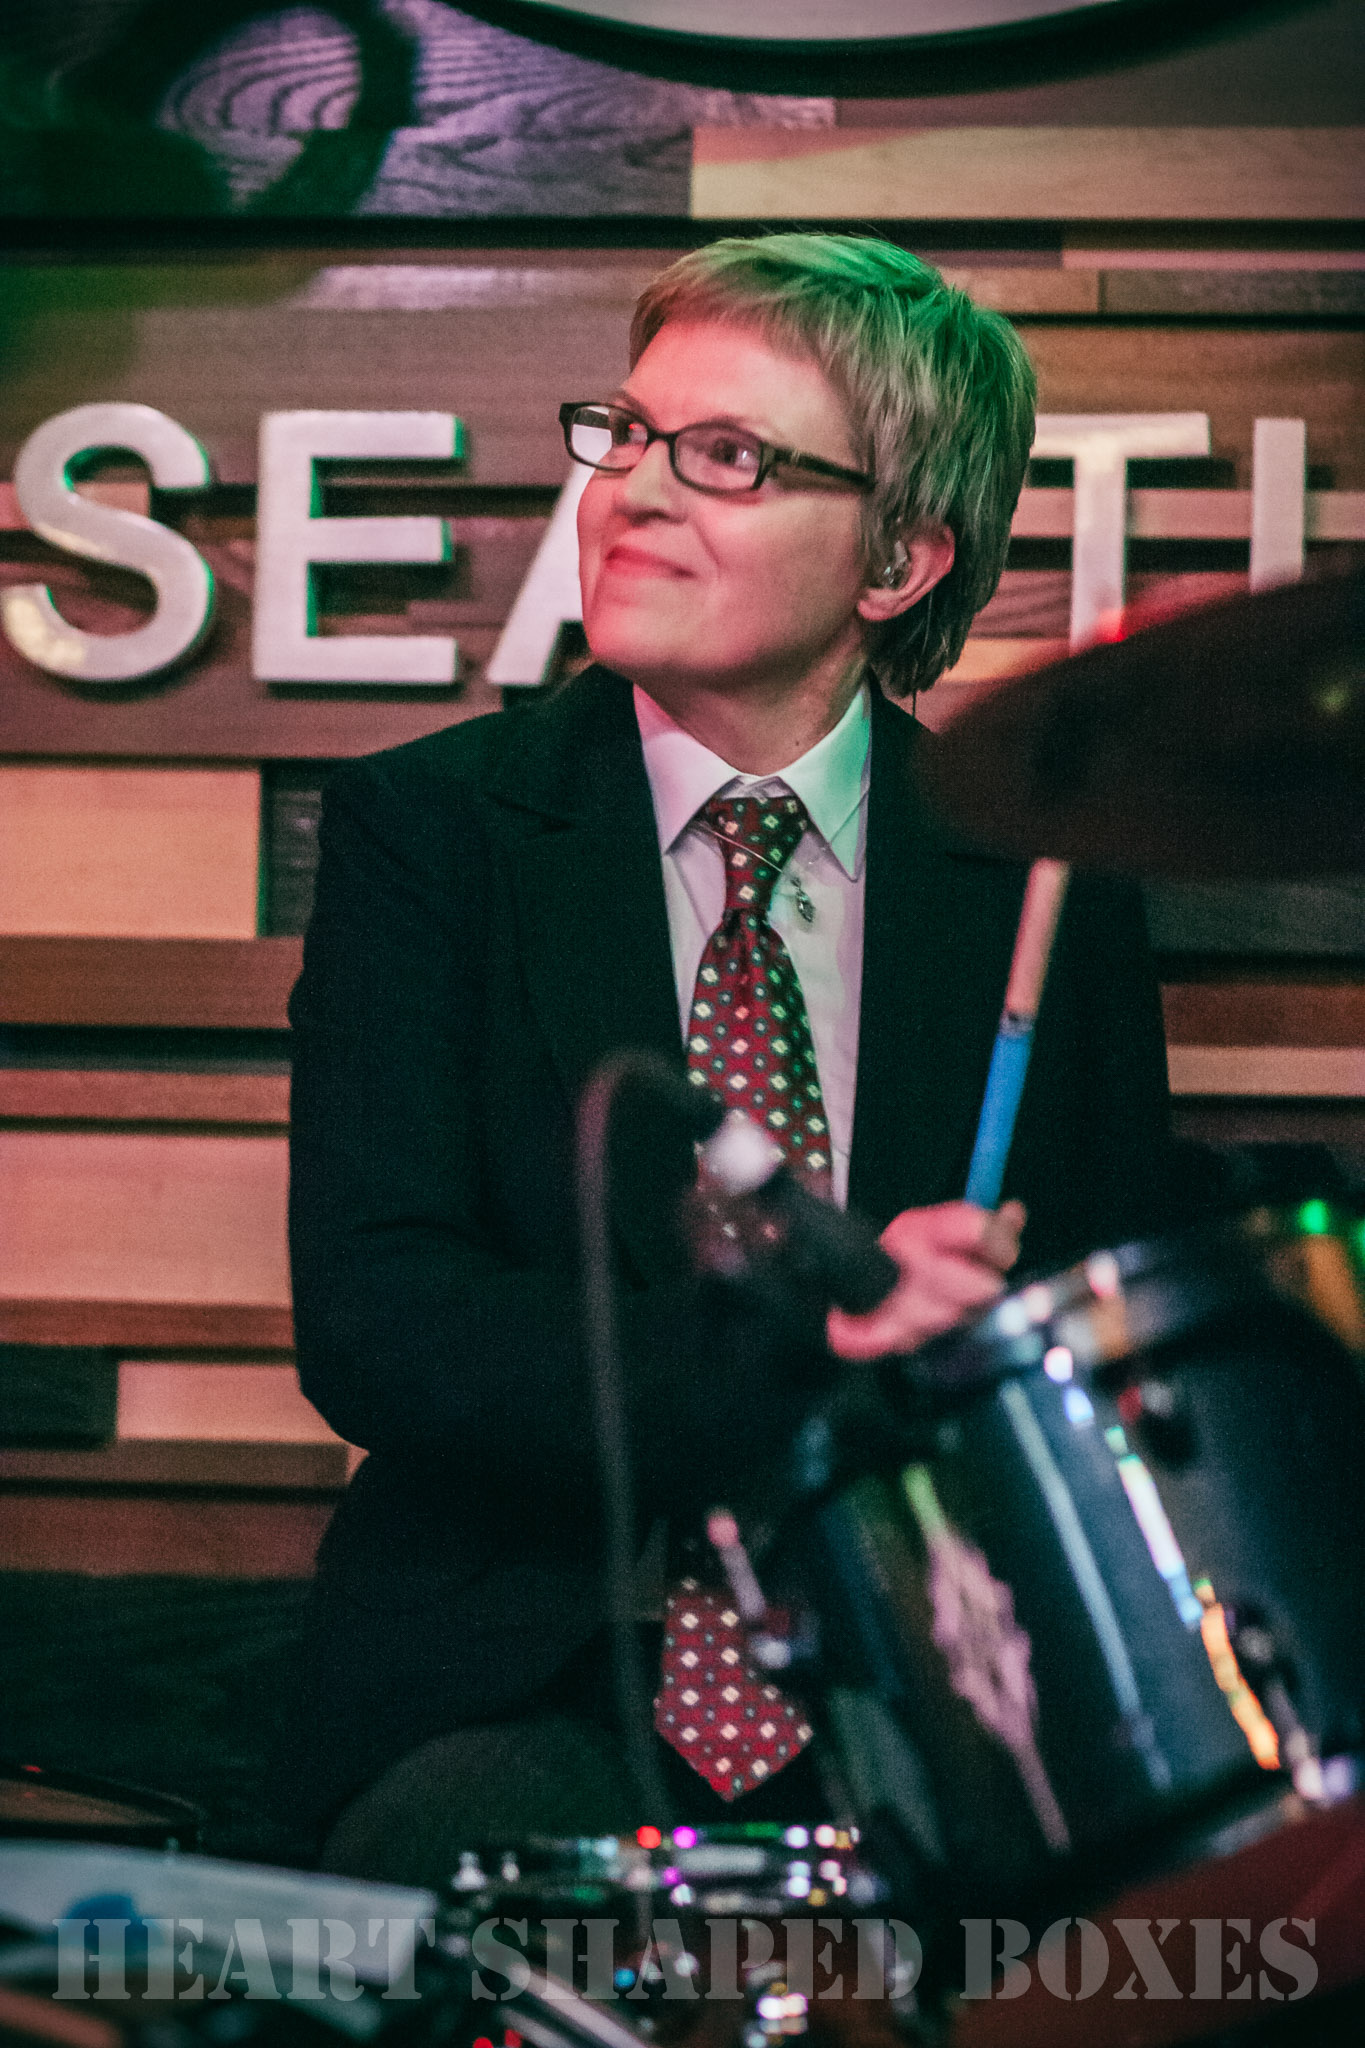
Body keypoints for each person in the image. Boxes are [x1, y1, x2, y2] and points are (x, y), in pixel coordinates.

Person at [285, 235, 1174, 1885]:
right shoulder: (436, 831)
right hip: (532, 1662)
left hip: (941, 1677)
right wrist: (793, 1339)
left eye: (727, 457)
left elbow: (1103, 1310)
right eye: (626, 434)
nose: (630, 491)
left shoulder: (1037, 878)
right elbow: (377, 1320)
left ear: (895, 561)